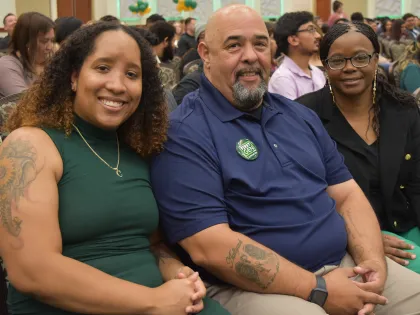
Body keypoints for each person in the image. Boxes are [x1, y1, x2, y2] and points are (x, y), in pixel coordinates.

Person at [151, 4, 420, 315]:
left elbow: (346, 196)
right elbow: (210, 247)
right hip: (246, 287)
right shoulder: (185, 132)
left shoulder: (299, 116)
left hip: (343, 264)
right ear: (205, 53)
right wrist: (318, 290)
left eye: (260, 44)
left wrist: (372, 263)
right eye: (234, 45)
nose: (250, 55)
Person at [0, 22, 230, 315]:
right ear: (73, 77)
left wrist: (177, 272)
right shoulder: (29, 145)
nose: (118, 85)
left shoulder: (138, 149)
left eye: (132, 75)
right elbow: (32, 271)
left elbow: (151, 245)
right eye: (103, 68)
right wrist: (154, 302)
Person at [296, 22, 420, 275]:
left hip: (405, 226)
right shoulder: (302, 116)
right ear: (324, 65)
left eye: (361, 58)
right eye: (338, 60)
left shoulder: (403, 109)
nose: (350, 67)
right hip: (343, 236)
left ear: (376, 60)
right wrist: (364, 239)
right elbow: (303, 196)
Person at [268, 11, 325, 100]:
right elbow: (294, 113)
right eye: (311, 30)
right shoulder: (283, 79)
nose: (318, 36)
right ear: (293, 40)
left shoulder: (317, 73)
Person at [0, 12, 54, 98]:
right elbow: (25, 104)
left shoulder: (48, 63)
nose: (50, 47)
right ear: (26, 41)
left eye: (52, 41)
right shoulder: (7, 65)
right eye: (44, 41)